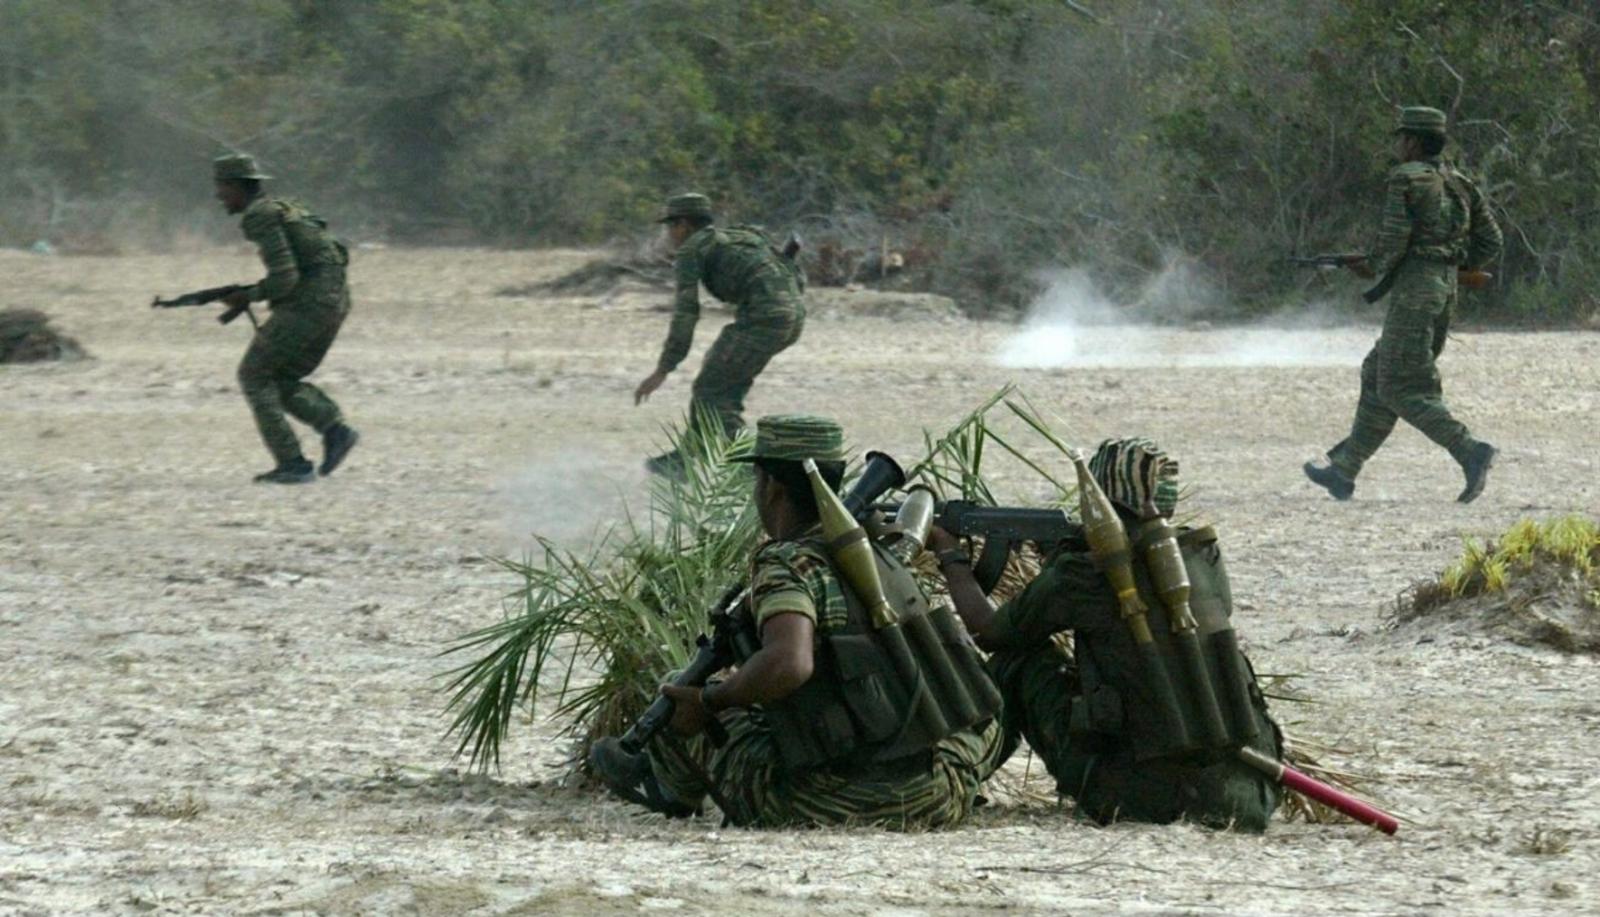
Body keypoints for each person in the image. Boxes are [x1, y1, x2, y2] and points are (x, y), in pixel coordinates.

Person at [592, 414, 1004, 828]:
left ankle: (669, 788)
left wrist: (708, 702)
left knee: (682, 689)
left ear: (771, 485)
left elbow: (790, 662)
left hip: (825, 804)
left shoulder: (788, 563)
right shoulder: (879, 551)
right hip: (935, 795)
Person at [932, 438, 1284, 831]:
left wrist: (950, 554)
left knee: (1016, 662)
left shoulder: (1080, 575)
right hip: (1252, 793)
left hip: (1141, 799)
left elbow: (991, 633)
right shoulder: (1203, 555)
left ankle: (956, 783)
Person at [1304, 106, 1503, 503]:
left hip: (1415, 293)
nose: (1398, 145)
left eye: (1401, 138)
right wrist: (1453, 265)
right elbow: (1491, 241)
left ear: (1412, 141)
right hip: (1444, 292)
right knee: (1378, 372)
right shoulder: (1460, 181)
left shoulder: (1406, 178)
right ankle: (1344, 469)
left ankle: (1469, 450)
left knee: (1402, 386)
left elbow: (1393, 241)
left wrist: (1371, 266)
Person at [633, 193, 805, 477]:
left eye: (671, 226)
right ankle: (688, 457)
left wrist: (664, 369)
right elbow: (791, 273)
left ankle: (752, 473)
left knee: (711, 392)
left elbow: (686, 314)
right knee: (723, 386)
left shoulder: (692, 250)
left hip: (763, 319)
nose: (669, 234)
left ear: (684, 225)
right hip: (794, 317)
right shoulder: (743, 236)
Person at [211, 153, 358, 484]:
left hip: (310, 303)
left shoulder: (259, 216)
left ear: (236, 186)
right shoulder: (286, 208)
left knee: (253, 374)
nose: (219, 196)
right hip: (335, 301)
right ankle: (335, 430)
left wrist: (248, 295)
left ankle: (293, 463)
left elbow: (285, 277)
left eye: (221, 187)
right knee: (280, 378)